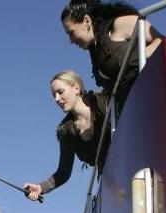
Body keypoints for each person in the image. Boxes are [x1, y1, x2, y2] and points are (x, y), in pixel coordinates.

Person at [23, 70, 110, 202]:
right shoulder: (66, 131)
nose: (57, 99)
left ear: (76, 88)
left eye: (60, 92)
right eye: (54, 95)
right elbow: (63, 173)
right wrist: (41, 187)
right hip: (110, 183)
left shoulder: (105, 101)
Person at [60, 1, 163, 108]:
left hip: (151, 95)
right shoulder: (96, 52)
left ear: (87, 21)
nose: (71, 40)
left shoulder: (119, 24)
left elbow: (161, 40)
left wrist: (141, 55)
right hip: (129, 109)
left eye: (71, 33)